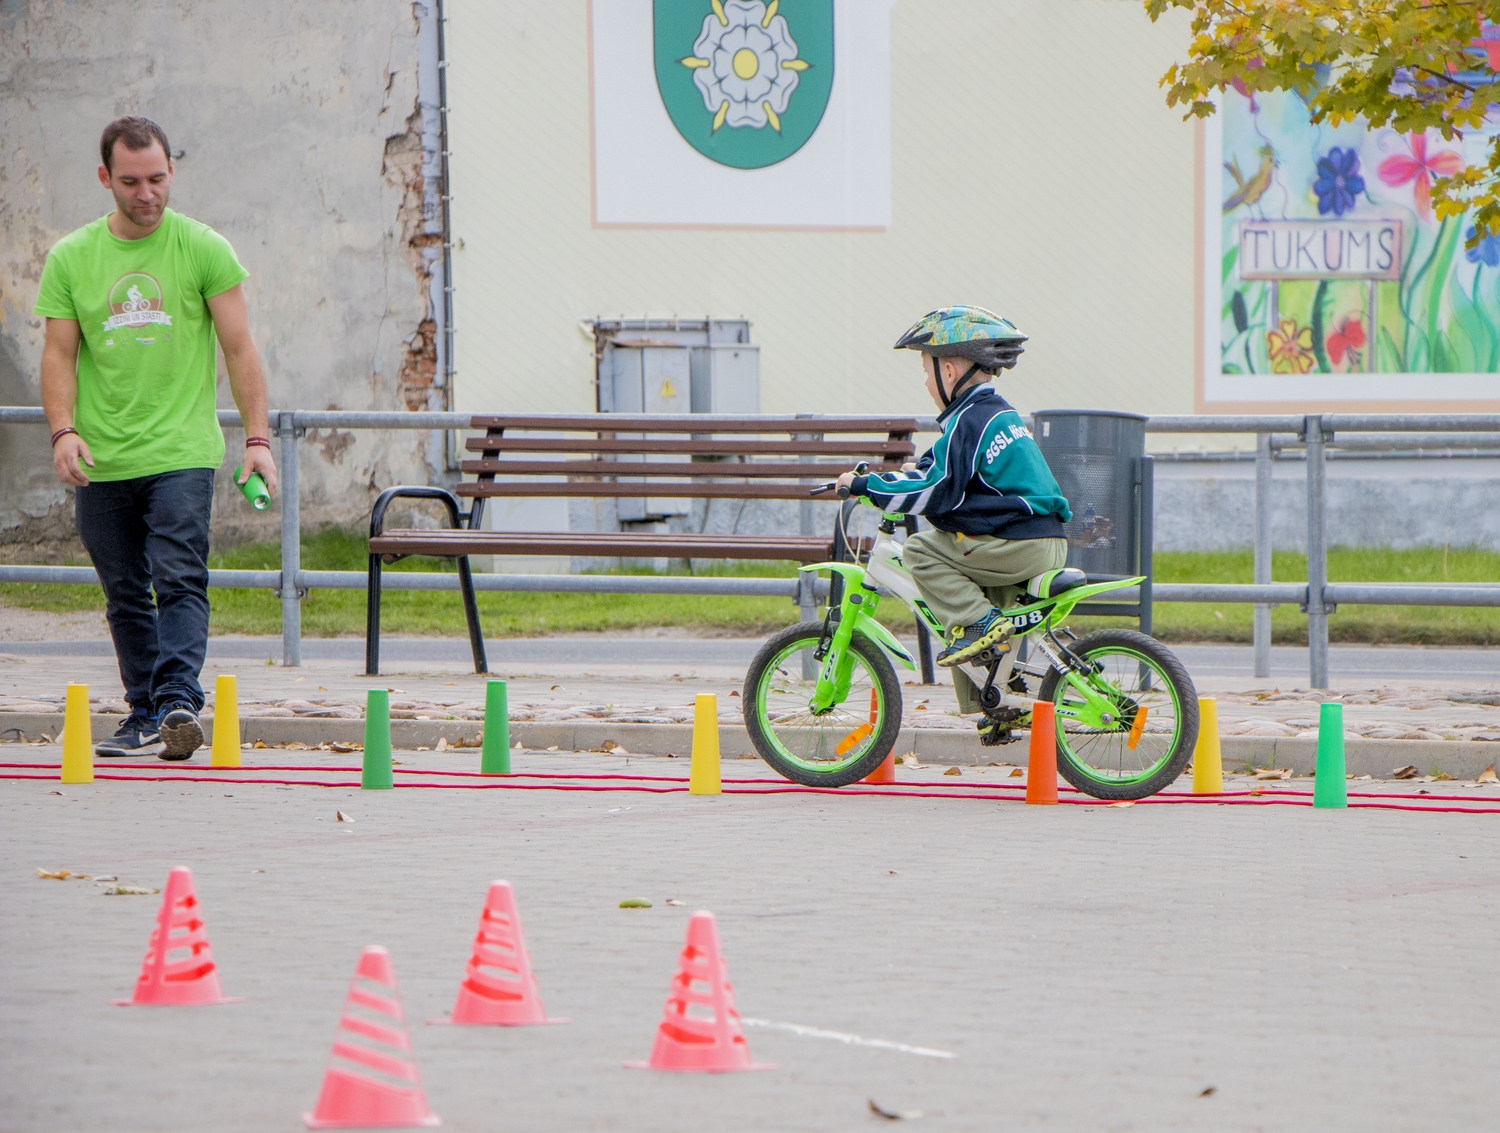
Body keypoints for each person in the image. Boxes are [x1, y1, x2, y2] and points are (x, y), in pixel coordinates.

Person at [36, 116, 278, 760]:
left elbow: (239, 348)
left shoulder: (203, 248)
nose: (147, 194)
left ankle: (176, 701)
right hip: (102, 454)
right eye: (131, 182)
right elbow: (59, 355)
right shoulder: (71, 258)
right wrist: (62, 431)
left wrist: (258, 440)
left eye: (159, 179)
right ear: (104, 179)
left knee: (177, 577)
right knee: (123, 592)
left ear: (174, 169)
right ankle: (144, 711)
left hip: (181, 453)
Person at [837, 305, 1072, 675]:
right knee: (969, 637)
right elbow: (939, 470)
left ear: (948, 371)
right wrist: (909, 476)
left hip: (1019, 545)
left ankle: (981, 623)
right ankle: (1001, 704)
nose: (926, 384)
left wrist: (866, 485)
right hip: (1037, 539)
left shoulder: (968, 420)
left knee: (921, 550)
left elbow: (939, 488)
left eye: (925, 373)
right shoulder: (993, 414)